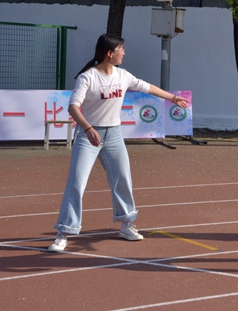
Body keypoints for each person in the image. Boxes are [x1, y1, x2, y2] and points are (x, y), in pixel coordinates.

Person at [48, 34, 189, 252]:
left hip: (114, 135)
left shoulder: (123, 75)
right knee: (76, 183)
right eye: (120, 49)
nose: (124, 52)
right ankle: (64, 232)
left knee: (122, 179)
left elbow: (147, 87)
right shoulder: (87, 77)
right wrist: (88, 129)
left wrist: (172, 98)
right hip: (88, 136)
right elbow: (73, 107)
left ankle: (126, 224)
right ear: (109, 53)